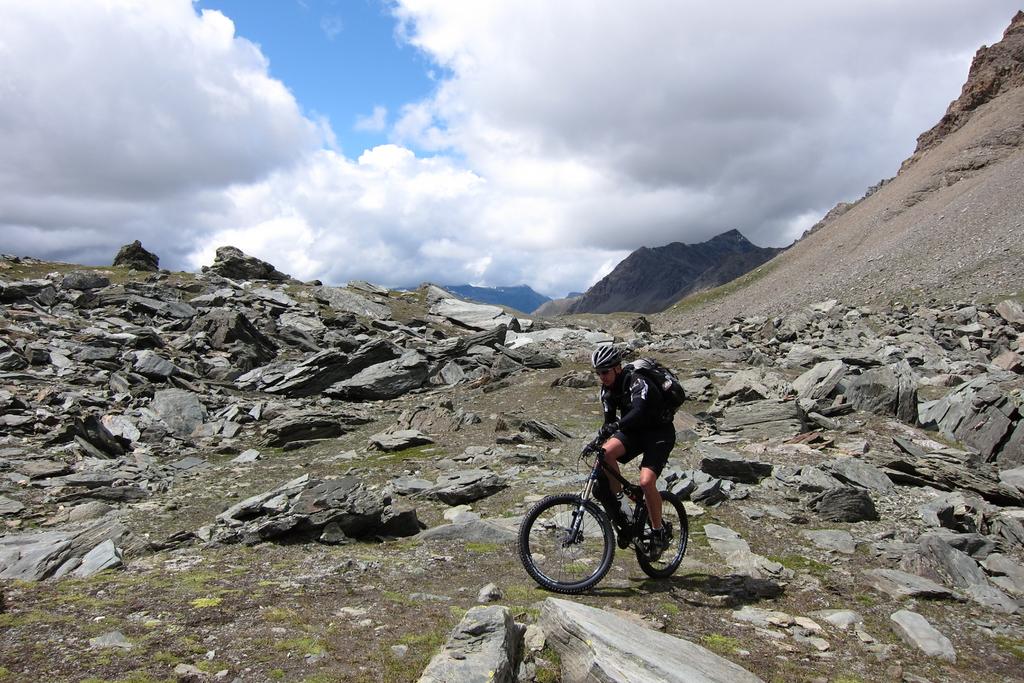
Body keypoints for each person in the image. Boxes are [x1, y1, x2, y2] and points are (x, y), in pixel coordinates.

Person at [591, 344, 675, 552]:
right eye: (598, 373)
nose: (602, 376)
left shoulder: (637, 381)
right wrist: (598, 440)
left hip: (659, 433)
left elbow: (638, 410)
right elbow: (609, 422)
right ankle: (621, 505)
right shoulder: (607, 391)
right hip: (635, 433)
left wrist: (617, 425)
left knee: (646, 482)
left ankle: (658, 531)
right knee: (605, 453)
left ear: (617, 368)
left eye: (605, 371)